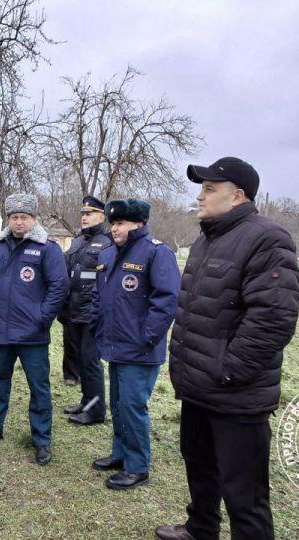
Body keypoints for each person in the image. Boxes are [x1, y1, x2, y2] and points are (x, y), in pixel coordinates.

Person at [156, 157, 299, 540]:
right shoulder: (207, 240)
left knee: (245, 495)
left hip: (236, 395)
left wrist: (228, 370)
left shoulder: (267, 238)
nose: (199, 196)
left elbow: (274, 318)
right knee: (200, 468)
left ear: (237, 196)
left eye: (209, 189)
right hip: (199, 388)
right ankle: (200, 529)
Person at [0, 194, 68, 466]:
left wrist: (41, 317)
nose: (19, 222)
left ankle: (42, 439)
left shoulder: (47, 248)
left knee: (39, 388)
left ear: (34, 219)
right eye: (14, 217)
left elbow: (59, 287)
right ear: (8, 219)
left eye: (24, 217)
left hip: (32, 335)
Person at [89, 199, 180, 490]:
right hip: (113, 345)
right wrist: (96, 325)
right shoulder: (107, 252)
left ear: (139, 223)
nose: (114, 228)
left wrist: (147, 338)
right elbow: (98, 295)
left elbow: (166, 301)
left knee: (131, 406)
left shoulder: (156, 252)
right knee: (117, 404)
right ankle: (120, 453)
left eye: (121, 223)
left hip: (139, 349)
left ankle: (138, 467)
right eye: (113, 223)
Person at [60, 196, 113, 425]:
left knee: (91, 363)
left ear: (102, 217)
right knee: (81, 360)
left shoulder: (108, 242)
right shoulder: (78, 241)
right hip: (73, 310)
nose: (84, 217)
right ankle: (86, 402)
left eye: (89, 214)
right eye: (83, 213)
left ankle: (96, 411)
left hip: (92, 312)